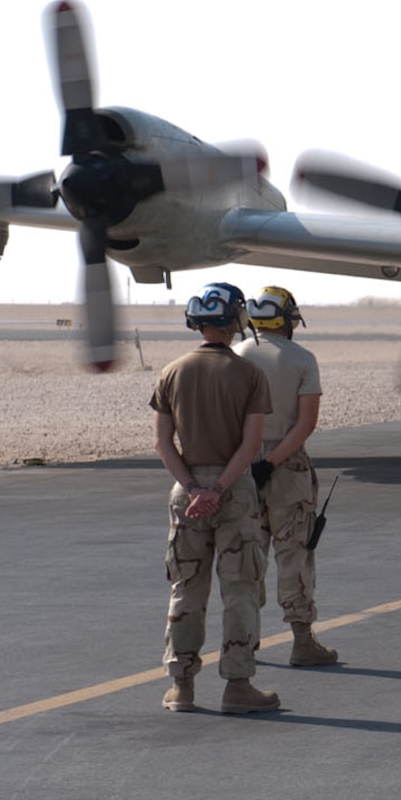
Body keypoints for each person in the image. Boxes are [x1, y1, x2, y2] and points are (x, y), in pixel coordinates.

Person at [149, 281, 281, 714]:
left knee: (186, 588)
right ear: (235, 319)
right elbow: (251, 444)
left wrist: (194, 489)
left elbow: (163, 443)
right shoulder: (249, 375)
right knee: (240, 589)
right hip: (234, 489)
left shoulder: (171, 372)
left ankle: (181, 686)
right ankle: (238, 685)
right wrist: (219, 488)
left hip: (185, 491)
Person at [233, 285, 339, 667]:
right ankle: (302, 641)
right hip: (287, 467)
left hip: (239, 464)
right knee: (294, 552)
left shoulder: (236, 355)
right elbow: (305, 424)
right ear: (287, 320)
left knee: (247, 555)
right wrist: (273, 462)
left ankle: (244, 641)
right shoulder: (302, 359)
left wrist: (248, 463)